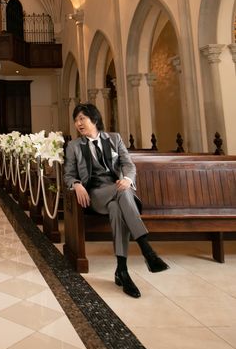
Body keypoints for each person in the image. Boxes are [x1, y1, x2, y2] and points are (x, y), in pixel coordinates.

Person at [64, 102, 169, 298]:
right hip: (95, 193)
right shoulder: (73, 146)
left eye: (82, 119)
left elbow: (128, 164)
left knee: (116, 207)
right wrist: (76, 184)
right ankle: (147, 249)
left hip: (117, 192)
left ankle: (122, 270)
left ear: (94, 119)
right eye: (76, 120)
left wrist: (128, 179)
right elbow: (68, 175)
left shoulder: (114, 138)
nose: (78, 123)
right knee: (122, 192)